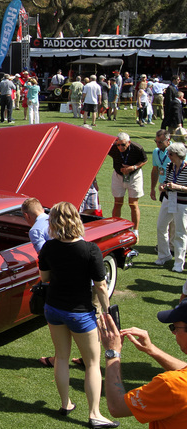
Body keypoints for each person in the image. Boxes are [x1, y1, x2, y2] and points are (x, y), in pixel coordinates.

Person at [38, 201, 115, 428]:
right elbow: (100, 286)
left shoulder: (48, 247)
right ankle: (94, 414)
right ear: (77, 220)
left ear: (53, 222)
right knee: (92, 363)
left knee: (61, 357)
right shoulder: (91, 250)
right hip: (80, 312)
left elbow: (44, 278)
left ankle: (65, 404)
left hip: (53, 308)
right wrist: (107, 311)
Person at [98, 301, 187, 428]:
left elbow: (117, 407)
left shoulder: (171, 385)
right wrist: (151, 349)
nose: (173, 333)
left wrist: (112, 352)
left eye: (174, 328)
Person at [155, 141, 187, 272]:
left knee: (180, 232)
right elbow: (167, 181)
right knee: (161, 226)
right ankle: (164, 255)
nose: (168, 156)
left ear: (179, 155)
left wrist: (178, 187)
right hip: (169, 200)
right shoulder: (169, 166)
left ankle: (179, 262)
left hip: (183, 204)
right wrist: (163, 187)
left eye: (171, 154)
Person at [108, 132, 148, 236]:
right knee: (117, 203)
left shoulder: (137, 148)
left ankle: (135, 231)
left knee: (133, 204)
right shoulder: (113, 148)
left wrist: (133, 167)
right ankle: (115, 229)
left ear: (129, 142)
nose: (120, 147)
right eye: (118, 144)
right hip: (118, 175)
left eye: (123, 145)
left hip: (134, 176)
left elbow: (144, 160)